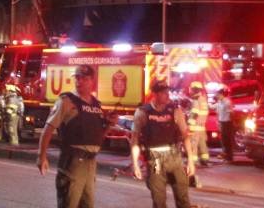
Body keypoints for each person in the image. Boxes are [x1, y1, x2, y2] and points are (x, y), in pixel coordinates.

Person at [37, 65, 117, 208]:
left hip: (90, 163)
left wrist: (109, 124)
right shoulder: (67, 101)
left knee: (87, 204)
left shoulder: (96, 104)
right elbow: (48, 129)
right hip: (73, 162)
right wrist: (41, 156)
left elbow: (98, 137)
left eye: (84, 79)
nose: (79, 82)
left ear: (92, 81)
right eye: (77, 78)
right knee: (69, 203)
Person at [131, 80, 194, 208]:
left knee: (183, 198)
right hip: (155, 161)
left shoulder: (175, 111)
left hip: (174, 159)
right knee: (159, 200)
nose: (167, 95)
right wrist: (135, 164)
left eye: (167, 92)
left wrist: (191, 161)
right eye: (163, 92)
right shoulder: (142, 112)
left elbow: (186, 137)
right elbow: (134, 140)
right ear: (155, 94)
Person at [187, 81, 210, 166]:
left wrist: (189, 124)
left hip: (195, 127)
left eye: (190, 89)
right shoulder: (203, 99)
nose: (189, 90)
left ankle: (193, 161)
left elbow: (195, 113)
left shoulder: (196, 100)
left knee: (193, 144)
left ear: (193, 90)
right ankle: (204, 159)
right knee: (202, 143)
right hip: (202, 127)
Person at [214, 87, 234, 162]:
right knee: (223, 140)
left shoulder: (227, 102)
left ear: (222, 94)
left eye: (218, 95)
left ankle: (229, 157)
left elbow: (231, 113)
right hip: (222, 123)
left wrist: (231, 123)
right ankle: (225, 155)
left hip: (227, 123)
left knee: (227, 140)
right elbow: (214, 107)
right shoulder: (219, 102)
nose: (217, 96)